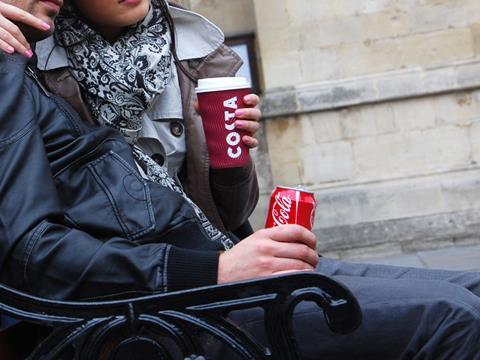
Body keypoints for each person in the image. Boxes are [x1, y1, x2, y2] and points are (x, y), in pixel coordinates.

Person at [1, 0, 480, 359]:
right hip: (170, 299)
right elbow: (37, 249)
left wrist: (230, 162)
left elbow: (219, 212)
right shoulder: (32, 61)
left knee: (472, 290)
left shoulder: (192, 51)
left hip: (212, 256)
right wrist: (213, 271)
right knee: (455, 314)